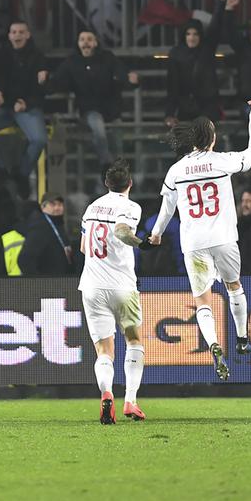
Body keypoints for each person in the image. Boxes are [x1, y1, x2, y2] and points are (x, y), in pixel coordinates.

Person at [149, 104, 251, 381]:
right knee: (234, 287)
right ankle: (242, 338)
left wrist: (157, 233)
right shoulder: (222, 161)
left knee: (202, 301)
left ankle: (213, 343)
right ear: (212, 138)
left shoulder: (176, 170)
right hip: (224, 239)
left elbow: (167, 208)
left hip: (194, 243)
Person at [80, 160, 148, 425]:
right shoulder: (130, 207)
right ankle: (130, 400)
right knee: (134, 341)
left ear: (106, 184)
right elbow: (121, 231)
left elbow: (84, 247)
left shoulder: (92, 207)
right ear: (130, 183)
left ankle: (106, 393)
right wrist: (141, 244)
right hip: (122, 288)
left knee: (104, 352)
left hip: (92, 287)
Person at [0, 21, 50, 192]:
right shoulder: (3, 54)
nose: (17, 35)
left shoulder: (38, 56)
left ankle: (22, 174)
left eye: (21, 32)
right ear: (9, 36)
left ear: (27, 35)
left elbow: (42, 90)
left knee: (39, 139)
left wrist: (26, 103)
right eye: (14, 32)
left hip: (28, 108)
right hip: (6, 108)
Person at [49, 30, 138, 166]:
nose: (86, 42)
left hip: (112, 109)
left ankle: (117, 171)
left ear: (96, 43)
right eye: (82, 39)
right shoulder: (72, 62)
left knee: (117, 144)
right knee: (99, 131)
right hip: (88, 109)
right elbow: (57, 82)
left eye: (89, 39)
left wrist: (132, 81)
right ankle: (107, 165)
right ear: (78, 44)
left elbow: (123, 75)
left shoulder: (108, 58)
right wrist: (45, 81)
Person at [18, 192, 74, 276]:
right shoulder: (39, 226)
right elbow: (25, 259)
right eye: (53, 204)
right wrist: (39, 281)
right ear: (43, 207)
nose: (57, 208)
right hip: (47, 280)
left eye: (60, 204)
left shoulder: (58, 224)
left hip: (62, 278)